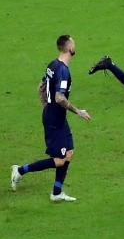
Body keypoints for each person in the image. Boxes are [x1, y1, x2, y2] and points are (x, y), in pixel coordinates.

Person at [11, 35, 91, 201]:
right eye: (74, 43)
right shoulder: (62, 70)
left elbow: (40, 87)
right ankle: (20, 170)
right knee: (60, 160)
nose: (75, 45)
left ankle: (56, 192)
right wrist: (79, 111)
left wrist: (46, 107)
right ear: (69, 48)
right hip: (55, 120)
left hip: (56, 117)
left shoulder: (52, 65)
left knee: (69, 153)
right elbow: (60, 98)